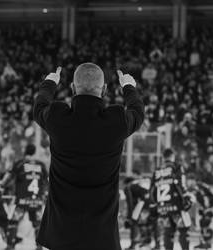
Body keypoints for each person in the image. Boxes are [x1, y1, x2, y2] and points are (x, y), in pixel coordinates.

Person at [33, 63, 144, 250]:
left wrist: (49, 83)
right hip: (102, 236)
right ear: (105, 90)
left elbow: (39, 107)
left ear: (73, 88)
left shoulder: (57, 117)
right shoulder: (116, 121)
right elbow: (138, 112)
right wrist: (129, 87)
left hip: (61, 234)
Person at [1, 144, 48, 250]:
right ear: (34, 152)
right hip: (37, 201)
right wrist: (45, 194)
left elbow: (8, 177)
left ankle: (10, 246)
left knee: (13, 222)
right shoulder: (41, 165)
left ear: (25, 151)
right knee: (37, 224)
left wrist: (1, 186)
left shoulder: (20, 163)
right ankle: (39, 247)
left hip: (22, 200)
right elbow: (46, 181)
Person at [150, 148, 193, 250]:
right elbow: (180, 184)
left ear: (163, 157)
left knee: (168, 233)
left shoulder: (157, 170)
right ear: (172, 156)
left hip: (163, 208)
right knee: (184, 230)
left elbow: (152, 191)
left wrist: (155, 205)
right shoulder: (176, 167)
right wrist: (186, 198)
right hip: (176, 206)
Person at [187, 174, 213, 250]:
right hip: (206, 207)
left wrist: (210, 209)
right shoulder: (193, 189)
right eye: (188, 180)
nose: (189, 182)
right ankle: (203, 242)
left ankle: (207, 243)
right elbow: (199, 200)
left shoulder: (200, 186)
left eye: (190, 180)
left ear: (194, 180)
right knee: (202, 223)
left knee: (208, 223)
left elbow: (211, 196)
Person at [123, 176, 154, 250]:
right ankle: (147, 243)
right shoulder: (139, 183)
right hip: (150, 202)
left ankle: (134, 245)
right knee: (144, 223)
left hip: (143, 203)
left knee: (134, 222)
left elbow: (130, 203)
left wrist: (129, 217)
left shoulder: (128, 187)